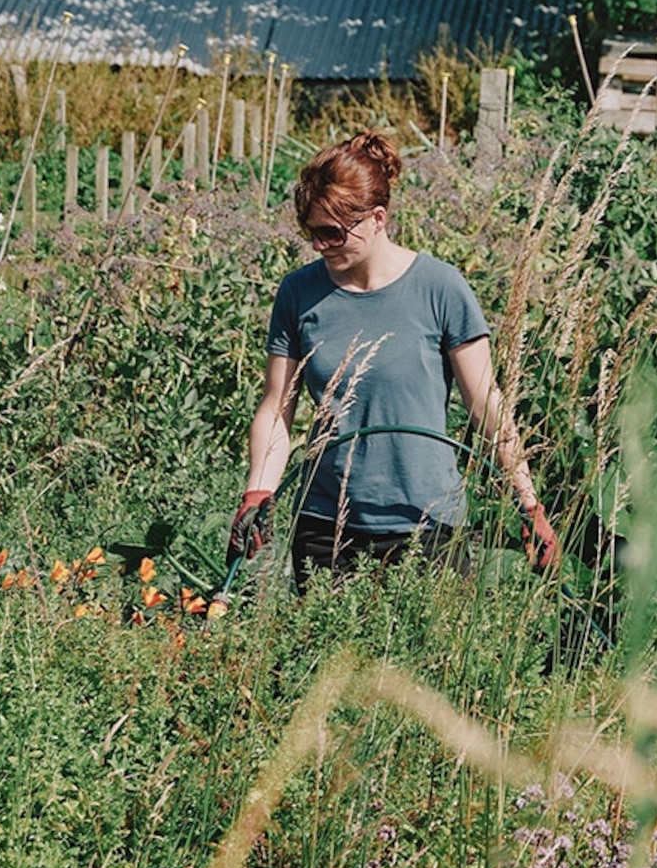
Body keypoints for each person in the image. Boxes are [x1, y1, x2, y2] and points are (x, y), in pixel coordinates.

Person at [229, 131, 559, 584]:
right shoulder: (299, 293)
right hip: (326, 527)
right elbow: (276, 408)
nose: (319, 246)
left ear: (377, 219)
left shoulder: (440, 288)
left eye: (331, 233)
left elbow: (485, 403)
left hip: (427, 525)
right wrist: (257, 492)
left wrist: (528, 501)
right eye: (311, 233)